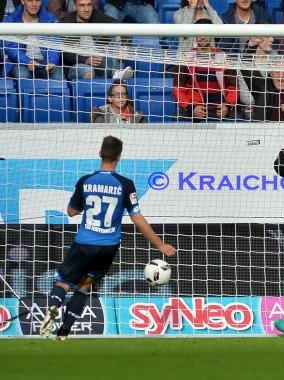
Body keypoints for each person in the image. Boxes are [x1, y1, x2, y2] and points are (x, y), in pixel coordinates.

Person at [39, 136, 176, 340]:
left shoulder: (85, 181)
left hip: (84, 243)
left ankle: (52, 310)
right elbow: (137, 218)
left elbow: (71, 211)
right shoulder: (125, 184)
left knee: (63, 283)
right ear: (119, 157)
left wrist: (88, 205)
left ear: (100, 154)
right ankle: (64, 332)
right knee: (85, 285)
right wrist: (160, 244)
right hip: (108, 248)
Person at [173, 18, 238, 123]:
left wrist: (227, 106)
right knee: (179, 117)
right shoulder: (185, 58)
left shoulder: (224, 57)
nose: (202, 37)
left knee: (237, 118)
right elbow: (178, 89)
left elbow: (233, 87)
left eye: (206, 33)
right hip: (195, 108)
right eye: (199, 34)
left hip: (220, 109)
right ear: (194, 35)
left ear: (212, 34)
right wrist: (191, 108)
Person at [61, 0, 133, 80]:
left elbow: (123, 28)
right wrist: (86, 60)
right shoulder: (67, 22)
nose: (86, 9)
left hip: (100, 61)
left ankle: (116, 73)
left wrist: (126, 47)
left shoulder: (97, 15)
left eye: (89, 5)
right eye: (82, 5)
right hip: (79, 64)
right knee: (88, 71)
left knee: (117, 35)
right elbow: (66, 53)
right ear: (75, 6)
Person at [3, 0, 64, 80]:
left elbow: (54, 43)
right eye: (30, 0)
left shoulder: (50, 18)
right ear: (22, 1)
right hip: (20, 63)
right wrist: (27, 61)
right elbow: (11, 48)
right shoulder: (11, 20)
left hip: (45, 63)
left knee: (58, 76)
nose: (34, 4)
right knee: (23, 75)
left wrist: (52, 62)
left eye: (37, 0)